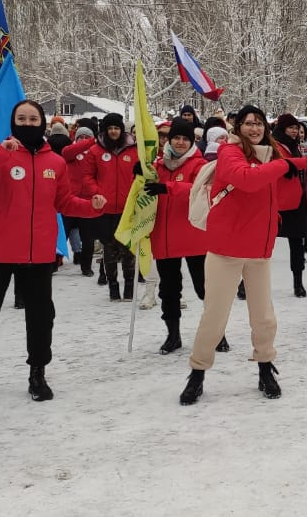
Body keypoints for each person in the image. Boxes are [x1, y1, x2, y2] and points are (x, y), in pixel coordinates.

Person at [0, 101, 106, 403]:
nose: (26, 123)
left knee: (40, 316)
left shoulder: (56, 162)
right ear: (12, 122)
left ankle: (37, 371)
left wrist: (92, 207)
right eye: (20, 118)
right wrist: (1, 153)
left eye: (32, 118)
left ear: (43, 123)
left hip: (38, 254)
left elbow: (64, 203)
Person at [179, 105, 307, 404]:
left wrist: (298, 169)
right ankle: (197, 372)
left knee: (264, 317)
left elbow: (286, 198)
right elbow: (247, 180)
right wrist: (288, 166)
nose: (254, 128)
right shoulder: (229, 152)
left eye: (259, 123)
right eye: (248, 123)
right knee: (214, 317)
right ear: (237, 127)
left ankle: (265, 368)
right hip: (226, 248)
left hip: (259, 249)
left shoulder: (272, 153)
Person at [147, 119, 207, 354]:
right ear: (168, 140)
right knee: (169, 290)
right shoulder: (158, 166)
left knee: (205, 289)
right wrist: (138, 174)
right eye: (176, 138)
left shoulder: (199, 164)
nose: (181, 143)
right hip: (165, 237)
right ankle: (173, 335)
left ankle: (216, 331)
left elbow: (201, 189)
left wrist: (169, 188)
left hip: (194, 237)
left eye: (185, 139)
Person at [84, 112, 140, 301]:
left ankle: (130, 287)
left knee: (128, 250)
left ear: (121, 130)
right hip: (105, 209)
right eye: (110, 128)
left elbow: (142, 175)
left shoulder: (134, 150)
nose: (113, 131)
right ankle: (113, 287)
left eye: (116, 128)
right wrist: (96, 191)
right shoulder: (95, 151)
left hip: (127, 209)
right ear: (105, 130)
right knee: (109, 250)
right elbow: (87, 176)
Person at [272, 113, 307, 298]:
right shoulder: (273, 144)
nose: (295, 131)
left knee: (297, 242)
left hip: (298, 199)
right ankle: (244, 283)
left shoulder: (297, 146)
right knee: (265, 242)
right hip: (278, 200)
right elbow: (278, 165)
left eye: (296, 128)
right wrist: (302, 163)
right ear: (282, 128)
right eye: (291, 127)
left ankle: (298, 282)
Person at [61, 122, 98, 277]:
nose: (83, 139)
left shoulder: (95, 154)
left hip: (88, 202)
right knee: (62, 234)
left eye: (86, 137)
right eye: (80, 137)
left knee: (88, 238)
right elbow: (66, 152)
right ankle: (53, 262)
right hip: (70, 200)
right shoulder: (71, 152)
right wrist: (89, 141)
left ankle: (86, 266)